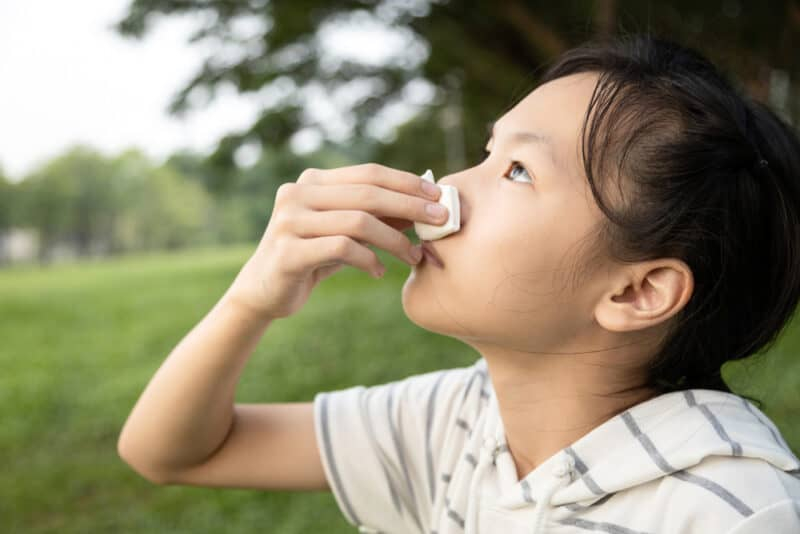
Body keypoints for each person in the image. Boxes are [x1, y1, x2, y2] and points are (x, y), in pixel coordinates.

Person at [117, 32, 800, 533]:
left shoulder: (731, 510)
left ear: (636, 292)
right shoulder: (456, 421)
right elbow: (170, 452)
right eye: (487, 152)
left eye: (518, 172)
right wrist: (251, 299)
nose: (444, 189)